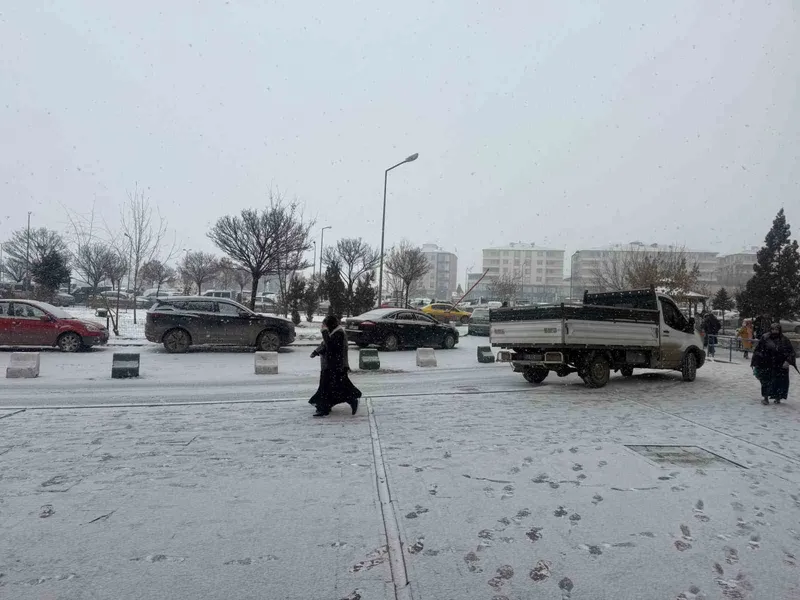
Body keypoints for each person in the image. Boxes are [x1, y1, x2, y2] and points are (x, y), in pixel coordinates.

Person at [309, 315, 362, 417]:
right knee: (333, 387)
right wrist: (316, 352)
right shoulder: (334, 332)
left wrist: (324, 332)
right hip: (331, 365)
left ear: (330, 325)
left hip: (336, 366)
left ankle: (327, 407)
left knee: (329, 387)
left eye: (325, 325)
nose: (323, 327)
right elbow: (325, 344)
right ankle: (326, 406)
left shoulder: (339, 333)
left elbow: (330, 346)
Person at [751, 322, 797, 405]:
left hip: (780, 364)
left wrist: (788, 361)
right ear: (770, 329)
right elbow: (758, 350)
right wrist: (757, 362)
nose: (775, 331)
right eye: (773, 329)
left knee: (779, 382)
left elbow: (791, 352)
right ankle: (765, 398)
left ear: (779, 330)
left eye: (777, 329)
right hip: (766, 363)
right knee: (766, 381)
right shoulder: (765, 338)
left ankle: (778, 397)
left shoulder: (784, 340)